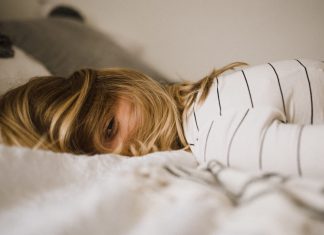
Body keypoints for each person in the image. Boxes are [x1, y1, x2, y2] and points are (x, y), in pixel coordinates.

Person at [1, 59, 324, 177]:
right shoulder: (207, 99)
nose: (126, 154)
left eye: (110, 128)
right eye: (98, 158)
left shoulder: (217, 137)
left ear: (121, 84)